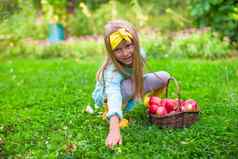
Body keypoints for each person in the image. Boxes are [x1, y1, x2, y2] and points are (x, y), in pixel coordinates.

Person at [92, 20, 171, 149]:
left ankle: (153, 102)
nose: (125, 53)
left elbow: (139, 76)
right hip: (109, 97)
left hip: (132, 84)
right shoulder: (111, 71)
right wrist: (114, 129)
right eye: (117, 50)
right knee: (128, 88)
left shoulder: (140, 55)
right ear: (111, 52)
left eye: (128, 46)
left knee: (164, 77)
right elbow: (114, 94)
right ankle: (108, 113)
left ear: (135, 43)